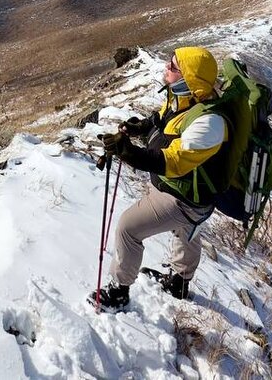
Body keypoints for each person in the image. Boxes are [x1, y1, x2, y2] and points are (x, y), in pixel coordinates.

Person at [89, 46, 229, 310]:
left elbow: (174, 161)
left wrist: (128, 153)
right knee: (186, 230)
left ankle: (119, 291)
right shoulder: (187, 98)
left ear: (191, 80)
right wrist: (141, 127)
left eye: (174, 67)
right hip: (194, 195)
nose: (166, 67)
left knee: (128, 229)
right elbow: (164, 120)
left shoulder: (210, 124)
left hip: (182, 198)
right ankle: (180, 282)